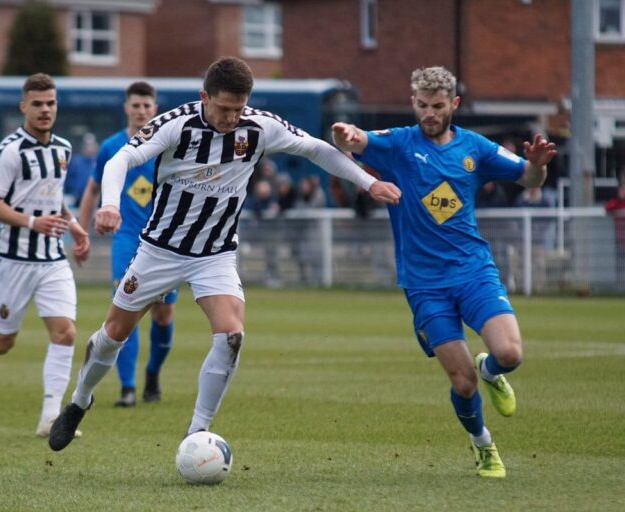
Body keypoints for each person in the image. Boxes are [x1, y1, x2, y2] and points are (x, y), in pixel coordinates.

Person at [48, 56, 401, 452]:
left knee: (231, 333)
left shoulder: (259, 127)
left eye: (239, 108)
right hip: (159, 250)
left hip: (214, 254)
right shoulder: (176, 125)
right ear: (204, 97)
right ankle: (79, 401)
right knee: (114, 334)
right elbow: (120, 160)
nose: (232, 118)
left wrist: (368, 182)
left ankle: (196, 432)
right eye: (224, 108)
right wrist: (109, 204)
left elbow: (318, 150)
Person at [332, 65, 557, 478]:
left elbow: (528, 176)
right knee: (463, 382)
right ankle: (483, 446)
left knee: (510, 354)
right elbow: (356, 141)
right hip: (424, 285)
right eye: (422, 105)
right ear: (412, 102)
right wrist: (344, 134)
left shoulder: (476, 148)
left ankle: (493, 370)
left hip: (473, 270)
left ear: (453, 104)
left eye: (437, 106)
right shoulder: (399, 144)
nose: (429, 114)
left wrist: (539, 165)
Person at [0, 73, 90, 438]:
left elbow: (51, 195)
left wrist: (72, 225)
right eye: (38, 104)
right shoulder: (11, 150)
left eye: (51, 103)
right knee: (3, 343)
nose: (45, 110)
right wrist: (32, 222)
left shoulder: (63, 148)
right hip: (13, 259)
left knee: (65, 333)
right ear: (23, 106)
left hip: (52, 259)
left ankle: (50, 418)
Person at [75, 81, 178, 408]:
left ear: (155, 108)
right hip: (126, 238)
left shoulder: (168, 145)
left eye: (147, 106)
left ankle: (152, 373)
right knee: (126, 309)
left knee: (163, 316)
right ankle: (128, 387)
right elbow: (93, 190)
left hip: (165, 240)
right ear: (126, 108)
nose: (141, 111)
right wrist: (82, 230)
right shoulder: (111, 147)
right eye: (136, 105)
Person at [64, 133, 98, 207]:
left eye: (91, 145)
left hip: (96, 199)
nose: (89, 148)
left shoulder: (98, 161)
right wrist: (74, 192)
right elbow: (68, 180)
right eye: (87, 145)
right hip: (78, 199)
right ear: (83, 147)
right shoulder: (76, 161)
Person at [605, 176, 625, 288]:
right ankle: (621, 287)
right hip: (621, 241)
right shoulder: (617, 203)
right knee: (621, 267)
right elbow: (608, 207)